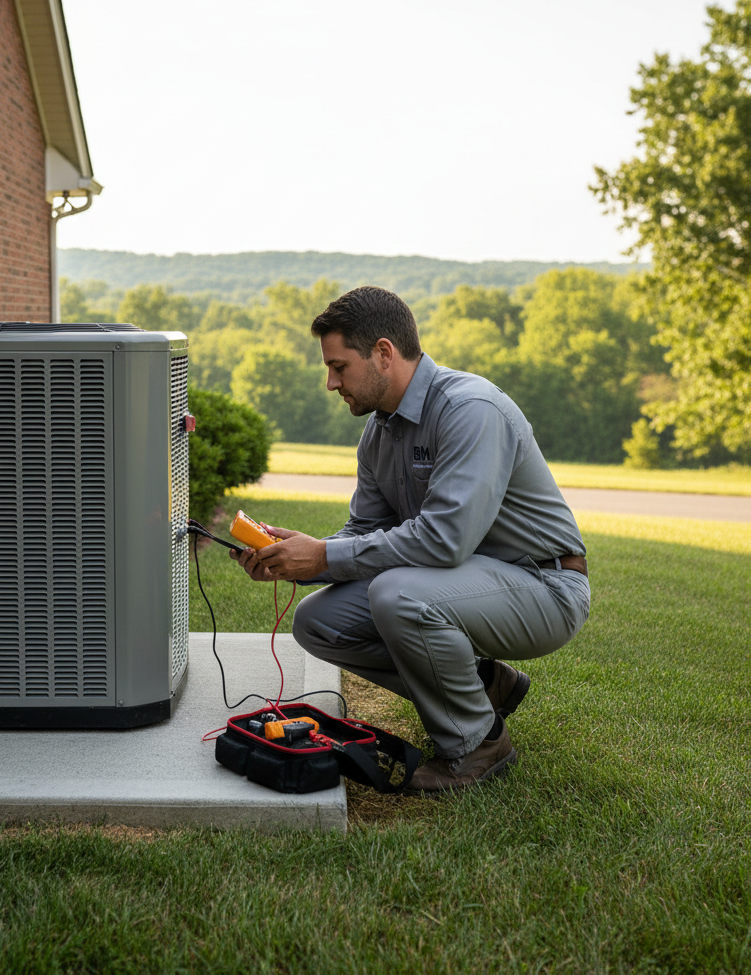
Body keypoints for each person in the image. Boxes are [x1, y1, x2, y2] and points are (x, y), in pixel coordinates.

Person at [232, 286, 590, 795]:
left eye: (338, 367)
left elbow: (445, 541)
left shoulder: (471, 409)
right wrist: (303, 556)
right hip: (459, 585)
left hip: (543, 585)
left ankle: (477, 742)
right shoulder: (379, 432)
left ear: (383, 353)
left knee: (397, 594)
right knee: (318, 623)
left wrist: (324, 555)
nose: (331, 383)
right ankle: (486, 684)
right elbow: (365, 532)